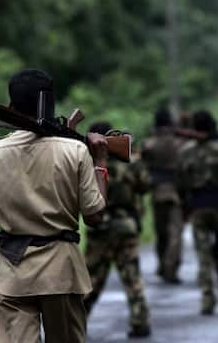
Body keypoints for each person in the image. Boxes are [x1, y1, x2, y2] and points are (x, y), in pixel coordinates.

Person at [0, 69, 109, 343]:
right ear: (50, 104)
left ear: (10, 106)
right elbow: (95, 216)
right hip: (62, 274)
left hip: (13, 272)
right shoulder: (75, 151)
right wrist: (100, 161)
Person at [83, 122, 151, 338]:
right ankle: (140, 321)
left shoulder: (88, 162)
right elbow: (145, 185)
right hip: (125, 225)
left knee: (90, 281)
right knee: (132, 277)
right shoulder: (130, 162)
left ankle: (75, 325)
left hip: (100, 227)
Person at [177, 110, 218, 315]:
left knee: (203, 255)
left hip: (198, 205)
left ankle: (207, 299)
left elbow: (182, 181)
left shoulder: (186, 151)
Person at [141, 108, 184, 284]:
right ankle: (170, 267)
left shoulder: (149, 144)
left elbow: (143, 167)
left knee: (161, 232)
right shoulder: (179, 143)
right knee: (175, 232)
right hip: (176, 191)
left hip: (157, 191)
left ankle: (161, 264)